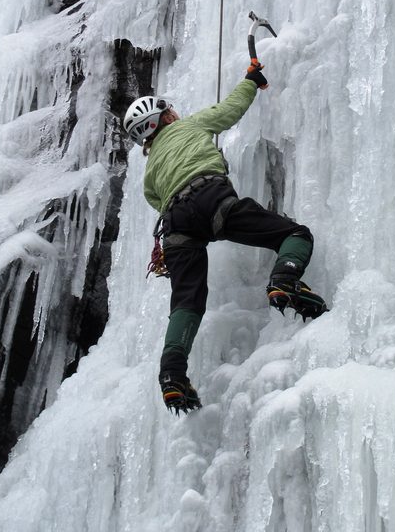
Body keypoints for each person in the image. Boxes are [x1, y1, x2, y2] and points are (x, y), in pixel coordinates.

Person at [123, 63, 327, 414]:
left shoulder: (151, 169)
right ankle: (285, 279)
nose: (175, 112)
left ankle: (172, 375)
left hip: (175, 224)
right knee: (294, 233)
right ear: (165, 118)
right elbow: (229, 109)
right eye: (169, 110)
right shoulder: (190, 125)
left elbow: (155, 200)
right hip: (210, 198)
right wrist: (251, 80)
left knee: (187, 301)